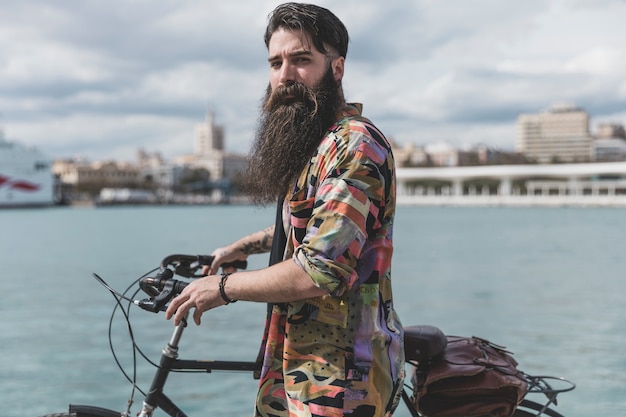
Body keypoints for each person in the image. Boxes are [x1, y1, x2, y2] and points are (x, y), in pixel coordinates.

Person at [165, 3, 404, 416]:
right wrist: (246, 245)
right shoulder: (318, 142)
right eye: (276, 62)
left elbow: (322, 267)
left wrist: (221, 288)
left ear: (338, 68)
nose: (285, 75)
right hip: (297, 369)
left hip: (339, 383)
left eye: (301, 60)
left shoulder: (354, 145)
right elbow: (320, 228)